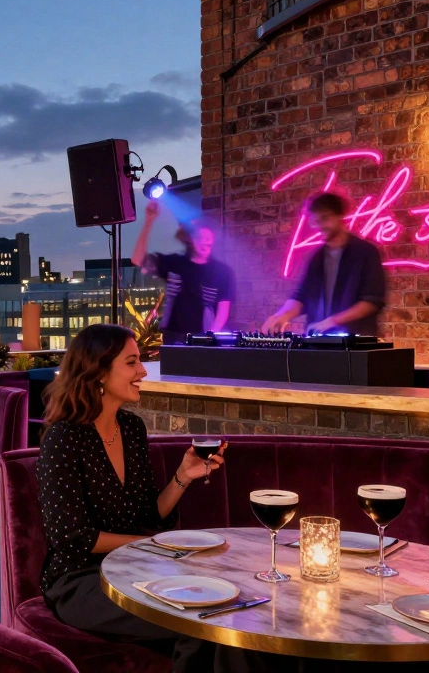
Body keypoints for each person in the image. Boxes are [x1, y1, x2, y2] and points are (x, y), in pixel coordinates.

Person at [37, 324, 279, 672]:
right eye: (132, 362)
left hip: (138, 569)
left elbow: (149, 514)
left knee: (233, 615)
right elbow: (71, 537)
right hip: (81, 580)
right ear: (98, 372)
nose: (143, 371)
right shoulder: (64, 438)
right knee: (201, 624)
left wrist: (183, 476)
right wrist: (154, 545)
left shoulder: (132, 429)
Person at [263, 193, 387, 335]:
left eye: (325, 218)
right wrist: (280, 316)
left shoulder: (365, 252)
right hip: (319, 341)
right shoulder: (316, 257)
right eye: (315, 221)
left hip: (355, 343)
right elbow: (301, 296)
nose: (320, 226)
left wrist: (332, 321)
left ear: (339, 216)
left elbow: (371, 302)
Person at [131, 201, 234, 343]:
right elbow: (137, 259)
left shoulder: (222, 271)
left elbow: (223, 311)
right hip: (173, 337)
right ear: (191, 240)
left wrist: (209, 338)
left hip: (204, 338)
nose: (204, 242)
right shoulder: (175, 263)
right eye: (200, 237)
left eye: (208, 238)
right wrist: (148, 222)